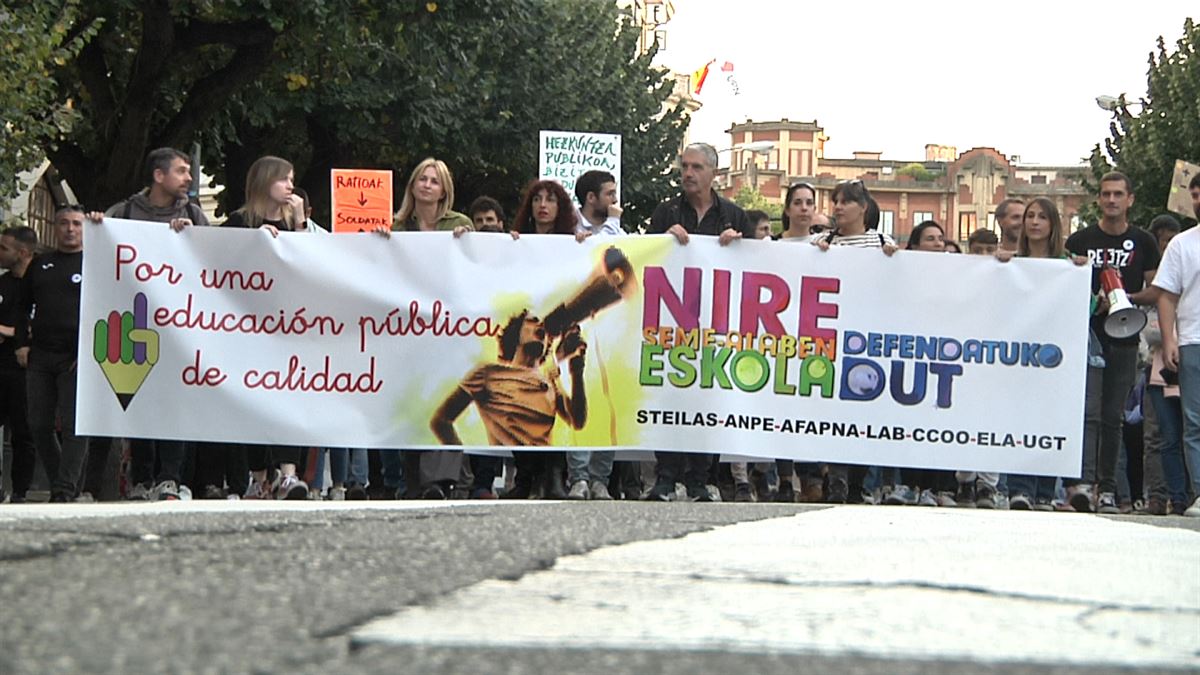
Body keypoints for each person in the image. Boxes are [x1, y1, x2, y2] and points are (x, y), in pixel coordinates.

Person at [88, 147, 210, 500]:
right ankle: (142, 479)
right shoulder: (123, 213)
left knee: (174, 402)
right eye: (182, 171)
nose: (189, 178)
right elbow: (99, 253)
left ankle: (170, 477)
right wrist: (98, 227)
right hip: (133, 325)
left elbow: (216, 265)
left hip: (180, 329)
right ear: (159, 176)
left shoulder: (195, 216)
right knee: (138, 400)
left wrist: (193, 239)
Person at [644, 143, 753, 501]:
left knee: (709, 400)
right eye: (684, 166)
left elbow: (757, 269)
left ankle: (700, 479)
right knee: (671, 397)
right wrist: (664, 242)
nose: (688, 173)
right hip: (672, 327)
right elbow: (646, 260)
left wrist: (739, 246)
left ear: (713, 173)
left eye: (696, 167)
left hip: (717, 328)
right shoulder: (665, 213)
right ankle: (665, 477)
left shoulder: (735, 216)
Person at [1066, 171, 1160, 514]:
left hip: (1124, 335)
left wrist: (1124, 297)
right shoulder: (1080, 241)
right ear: (1098, 200)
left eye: (1118, 194)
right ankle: (1082, 483)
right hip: (1088, 336)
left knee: (1112, 417)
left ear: (1130, 199)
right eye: (1106, 194)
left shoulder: (1144, 241)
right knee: (1087, 414)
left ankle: (1106, 488)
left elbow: (1155, 289)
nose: (1111, 200)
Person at [222, 156, 309, 499]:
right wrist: (251, 243)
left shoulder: (296, 225)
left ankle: (289, 473)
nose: (290, 186)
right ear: (264, 181)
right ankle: (260, 477)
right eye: (284, 179)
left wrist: (300, 223)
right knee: (253, 401)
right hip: (247, 330)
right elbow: (216, 265)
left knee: (292, 398)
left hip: (291, 328)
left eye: (292, 179)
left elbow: (312, 265)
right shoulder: (238, 222)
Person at [430, 311, 587, 501]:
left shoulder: (550, 381)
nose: (541, 328)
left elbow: (577, 421)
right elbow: (441, 420)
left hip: (546, 475)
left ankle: (543, 481)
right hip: (519, 463)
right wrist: (464, 465)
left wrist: (577, 371)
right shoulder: (488, 373)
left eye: (545, 328)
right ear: (516, 332)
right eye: (533, 321)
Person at [1003, 198, 1092, 510]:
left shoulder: (1069, 266)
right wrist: (999, 267)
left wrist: (1081, 276)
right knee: (1023, 418)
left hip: (1057, 357)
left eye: (1042, 216)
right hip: (1020, 354)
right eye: (1030, 216)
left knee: (1052, 419)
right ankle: (1020, 489)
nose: (1035, 222)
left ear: (1054, 224)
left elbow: (1087, 309)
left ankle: (1045, 491)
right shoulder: (1011, 263)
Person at [812, 179, 895, 504]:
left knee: (862, 413)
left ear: (863, 208)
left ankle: (857, 483)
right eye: (836, 201)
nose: (838, 208)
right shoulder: (822, 241)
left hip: (867, 340)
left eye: (846, 202)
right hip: (831, 339)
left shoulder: (881, 241)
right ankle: (837, 478)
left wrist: (893, 259)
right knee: (834, 414)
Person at [13, 207, 89, 502]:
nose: (70, 229)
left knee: (74, 426)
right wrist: (21, 343)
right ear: (55, 228)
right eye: (64, 224)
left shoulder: (95, 264)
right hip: (41, 355)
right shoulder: (40, 264)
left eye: (76, 224)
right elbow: (21, 306)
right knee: (39, 425)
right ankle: (63, 479)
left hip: (76, 356)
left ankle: (64, 489)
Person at [1153, 173, 1200, 517]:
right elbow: (1167, 296)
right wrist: (1170, 338)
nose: (1198, 201)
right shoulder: (1182, 244)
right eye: (1195, 195)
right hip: (1193, 340)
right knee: (1194, 422)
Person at [1143, 215, 1187, 516]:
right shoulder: (1157, 285)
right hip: (1161, 369)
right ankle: (1171, 495)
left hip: (1189, 364)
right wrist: (1172, 331)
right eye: (1164, 241)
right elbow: (1148, 328)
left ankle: (1190, 491)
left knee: (1190, 432)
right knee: (1164, 436)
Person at [0, 226, 39, 503]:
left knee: (24, 432)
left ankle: (21, 492)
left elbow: (38, 328)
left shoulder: (41, 283)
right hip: (1, 365)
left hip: (27, 369)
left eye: (4, 248)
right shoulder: (3, 283)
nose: (0, 253)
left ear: (23, 252)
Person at [393, 158, 473, 235]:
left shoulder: (460, 222)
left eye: (434, 182)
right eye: (422, 179)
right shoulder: (397, 226)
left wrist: (466, 238)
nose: (427, 185)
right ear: (412, 187)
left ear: (443, 193)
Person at [513, 180, 578, 236]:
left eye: (550, 200)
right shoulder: (521, 237)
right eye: (537, 199)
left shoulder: (570, 240)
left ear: (560, 207)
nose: (542, 205)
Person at [573, 170, 623, 240]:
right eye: (610, 194)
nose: (615, 200)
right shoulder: (570, 225)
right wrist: (613, 220)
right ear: (591, 197)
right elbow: (602, 246)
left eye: (614, 194)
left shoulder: (615, 228)